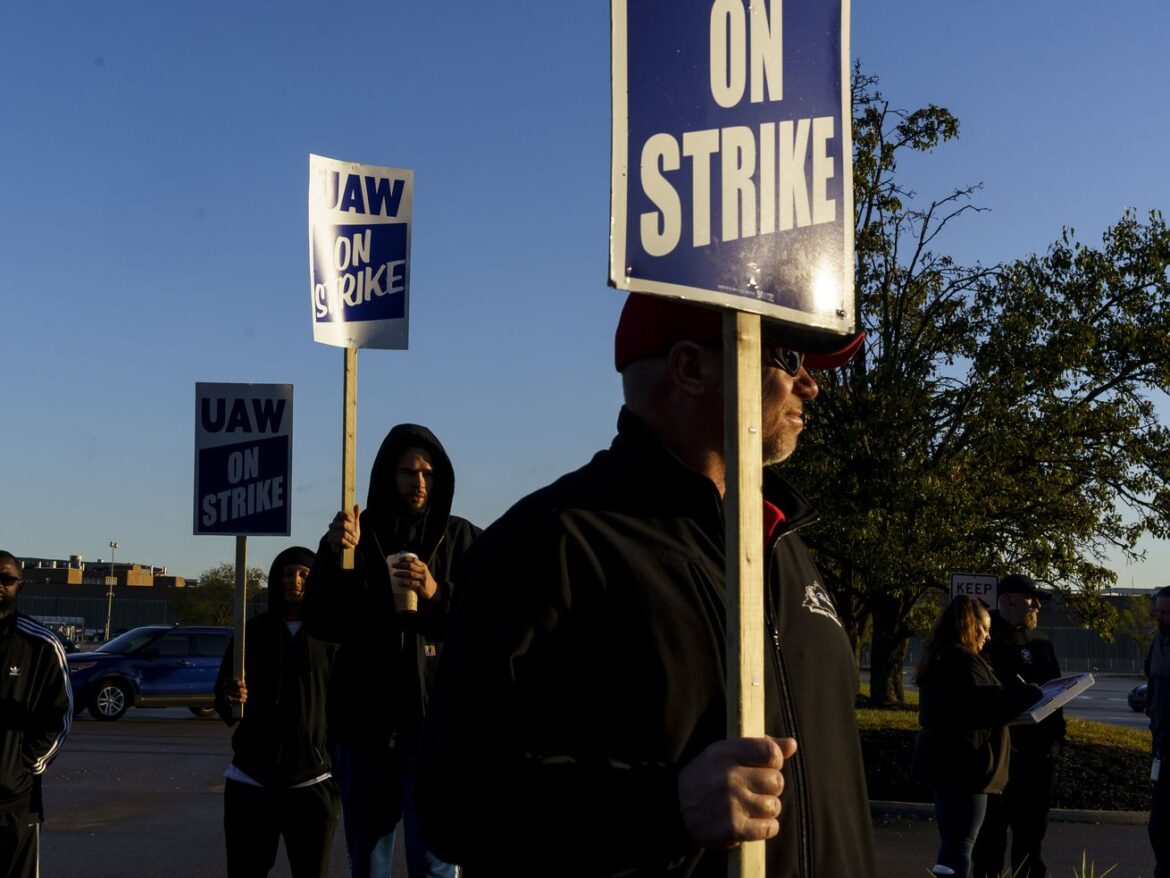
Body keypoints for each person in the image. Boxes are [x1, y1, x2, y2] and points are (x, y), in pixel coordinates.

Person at [417, 294, 876, 876]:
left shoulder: (783, 541)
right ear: (690, 368)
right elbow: (454, 803)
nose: (810, 386)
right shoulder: (549, 543)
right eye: (787, 359)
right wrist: (665, 807)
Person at [305, 424, 480, 878]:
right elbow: (322, 620)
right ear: (388, 475)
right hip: (366, 730)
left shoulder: (462, 540)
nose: (419, 483)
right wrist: (330, 553)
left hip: (434, 733)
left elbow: (488, 624)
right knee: (368, 860)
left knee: (436, 864)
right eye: (408, 472)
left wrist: (436, 591)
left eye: (427, 473)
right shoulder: (358, 540)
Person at [214, 546, 340, 878]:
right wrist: (232, 696)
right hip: (251, 781)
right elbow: (224, 704)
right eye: (287, 574)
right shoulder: (250, 632)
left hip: (312, 781)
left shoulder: (331, 636)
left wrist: (334, 765)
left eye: (304, 574)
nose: (294, 581)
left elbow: (346, 705)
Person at [913, 595, 1042, 878]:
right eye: (983, 629)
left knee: (953, 841)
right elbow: (989, 705)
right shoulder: (963, 661)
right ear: (969, 627)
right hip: (965, 764)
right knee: (962, 843)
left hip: (942, 760)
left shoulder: (939, 657)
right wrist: (1030, 693)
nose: (987, 636)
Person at [972, 574, 1065, 878]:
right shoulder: (987, 638)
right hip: (1002, 752)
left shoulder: (1040, 641)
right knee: (992, 834)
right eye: (1031, 599)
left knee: (1032, 833)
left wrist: (1056, 738)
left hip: (1040, 754)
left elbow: (1055, 689)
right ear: (1009, 599)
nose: (1037, 605)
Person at [0, 551, 72, 878]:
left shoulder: (41, 644)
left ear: (20, 585)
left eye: (7, 580)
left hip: (15, 801)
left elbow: (61, 714)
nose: (0, 587)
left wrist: (27, 764)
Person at [1145, 586, 1170, 878]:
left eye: (1166, 612)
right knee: (1159, 825)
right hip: (1162, 750)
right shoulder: (1158, 644)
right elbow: (1153, 690)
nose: (1160, 618)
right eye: (1158, 611)